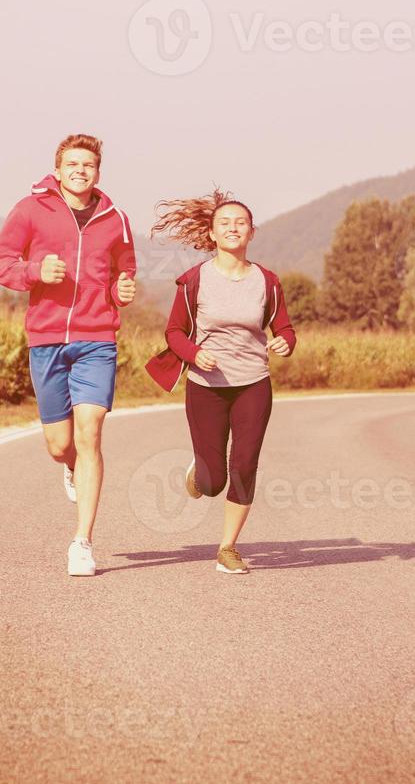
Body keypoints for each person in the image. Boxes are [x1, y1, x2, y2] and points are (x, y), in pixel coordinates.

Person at [0, 134, 137, 577]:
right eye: (72, 164)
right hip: (47, 337)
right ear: (57, 170)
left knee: (91, 433)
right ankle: (69, 467)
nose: (80, 170)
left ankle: (82, 543)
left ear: (98, 171)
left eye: (88, 164)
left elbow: (123, 270)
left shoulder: (116, 219)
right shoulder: (30, 209)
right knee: (60, 446)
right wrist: (35, 271)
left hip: (97, 339)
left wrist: (120, 291)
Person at [145, 189, 296, 574]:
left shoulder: (267, 281)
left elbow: (284, 327)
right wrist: (195, 354)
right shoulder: (195, 280)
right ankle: (200, 473)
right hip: (206, 386)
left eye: (240, 223)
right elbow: (174, 332)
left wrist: (285, 342)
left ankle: (228, 547)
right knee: (213, 481)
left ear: (252, 232)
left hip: (253, 383)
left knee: (244, 463)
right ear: (212, 234)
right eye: (225, 223)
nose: (233, 228)